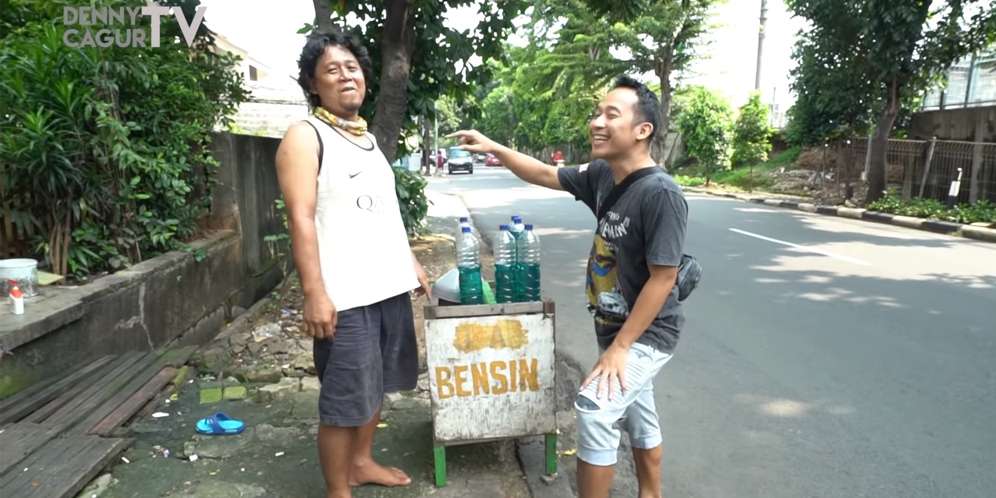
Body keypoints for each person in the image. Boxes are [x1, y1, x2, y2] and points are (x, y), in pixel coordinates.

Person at [450, 75, 688, 498]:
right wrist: (496, 148)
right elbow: (543, 172)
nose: (597, 122)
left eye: (610, 114)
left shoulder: (660, 194)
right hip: (615, 326)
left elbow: (664, 277)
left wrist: (621, 348)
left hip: (645, 333)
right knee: (638, 411)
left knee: (595, 408)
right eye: (597, 113)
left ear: (642, 130)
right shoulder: (601, 175)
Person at [275, 31, 431, 498]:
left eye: (352, 67)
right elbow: (300, 218)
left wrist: (411, 262)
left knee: (377, 384)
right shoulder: (305, 137)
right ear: (312, 84)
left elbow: (383, 211)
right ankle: (336, 488)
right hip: (345, 296)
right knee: (344, 398)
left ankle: (361, 463)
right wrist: (314, 292)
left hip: (388, 288)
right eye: (331, 69)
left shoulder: (365, 138)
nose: (346, 75)